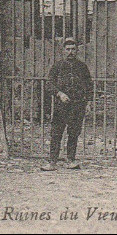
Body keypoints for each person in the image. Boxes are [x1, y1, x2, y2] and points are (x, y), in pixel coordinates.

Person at [41, 37, 93, 171]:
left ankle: (71, 160)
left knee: (74, 133)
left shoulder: (82, 67)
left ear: (77, 51)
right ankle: (52, 162)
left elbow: (89, 85)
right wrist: (59, 94)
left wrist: (88, 103)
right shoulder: (57, 66)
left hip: (78, 105)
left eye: (73, 49)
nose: (70, 52)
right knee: (56, 133)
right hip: (61, 105)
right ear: (63, 50)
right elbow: (49, 84)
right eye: (68, 49)